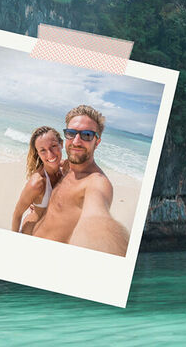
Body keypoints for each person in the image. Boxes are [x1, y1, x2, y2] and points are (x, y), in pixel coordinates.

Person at [31, 105, 129, 255]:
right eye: (71, 133)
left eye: (87, 135)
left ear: (97, 142)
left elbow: (97, 218)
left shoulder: (96, 182)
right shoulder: (66, 167)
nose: (76, 141)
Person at [10, 126, 64, 234]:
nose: (50, 154)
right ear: (38, 153)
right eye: (43, 150)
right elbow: (17, 214)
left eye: (53, 146)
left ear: (61, 144)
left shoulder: (66, 170)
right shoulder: (37, 183)